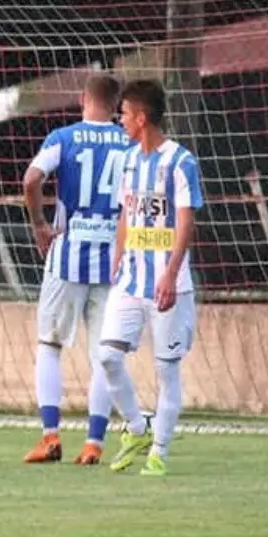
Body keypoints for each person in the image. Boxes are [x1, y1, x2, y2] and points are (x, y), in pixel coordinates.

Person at [21, 73, 130, 465]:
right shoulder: (130, 141)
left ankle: (50, 437)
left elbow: (32, 178)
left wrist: (38, 224)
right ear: (118, 105)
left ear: (83, 98)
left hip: (68, 255)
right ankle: (94, 443)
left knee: (50, 345)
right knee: (105, 354)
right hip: (114, 260)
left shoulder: (63, 137)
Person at [100, 79, 204, 477]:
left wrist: (171, 274)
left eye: (124, 113)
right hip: (129, 280)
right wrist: (118, 252)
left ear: (141, 118)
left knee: (167, 372)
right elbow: (127, 211)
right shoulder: (128, 161)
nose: (120, 119)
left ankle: (158, 451)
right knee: (108, 357)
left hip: (167, 283)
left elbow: (185, 221)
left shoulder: (180, 162)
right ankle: (137, 427)